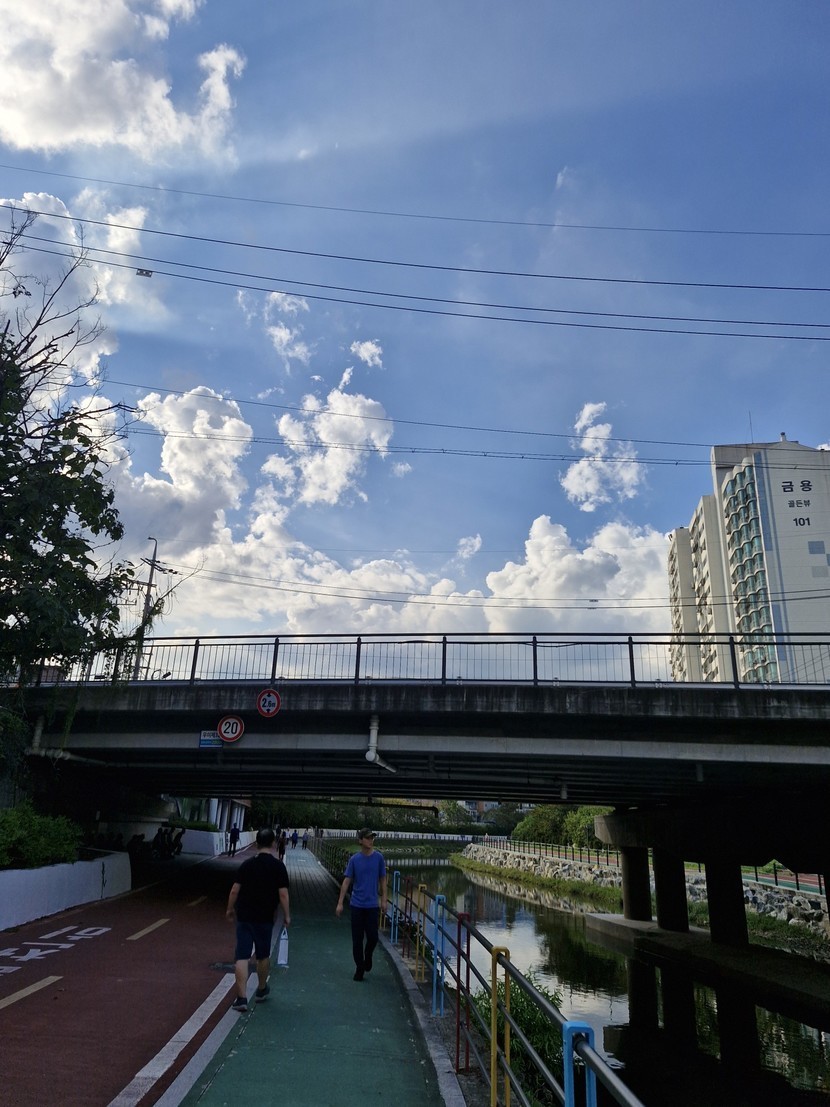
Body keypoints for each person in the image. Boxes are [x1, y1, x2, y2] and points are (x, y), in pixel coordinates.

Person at [225, 828, 291, 1012]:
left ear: (256, 843)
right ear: (273, 843)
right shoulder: (278, 867)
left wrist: (230, 909)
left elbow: (235, 890)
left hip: (245, 916)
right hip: (265, 917)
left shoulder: (247, 865)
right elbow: (283, 894)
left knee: (242, 956)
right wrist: (287, 915)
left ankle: (241, 998)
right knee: (263, 955)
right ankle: (261, 989)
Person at [335, 828, 387, 981]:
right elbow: (346, 881)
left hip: (372, 905)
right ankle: (359, 967)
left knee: (373, 937)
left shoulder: (379, 858)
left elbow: (383, 879)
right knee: (357, 939)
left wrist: (384, 899)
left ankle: (368, 954)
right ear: (360, 840)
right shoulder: (354, 860)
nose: (371, 840)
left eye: (372, 838)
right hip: (357, 904)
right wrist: (340, 903)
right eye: (368, 838)